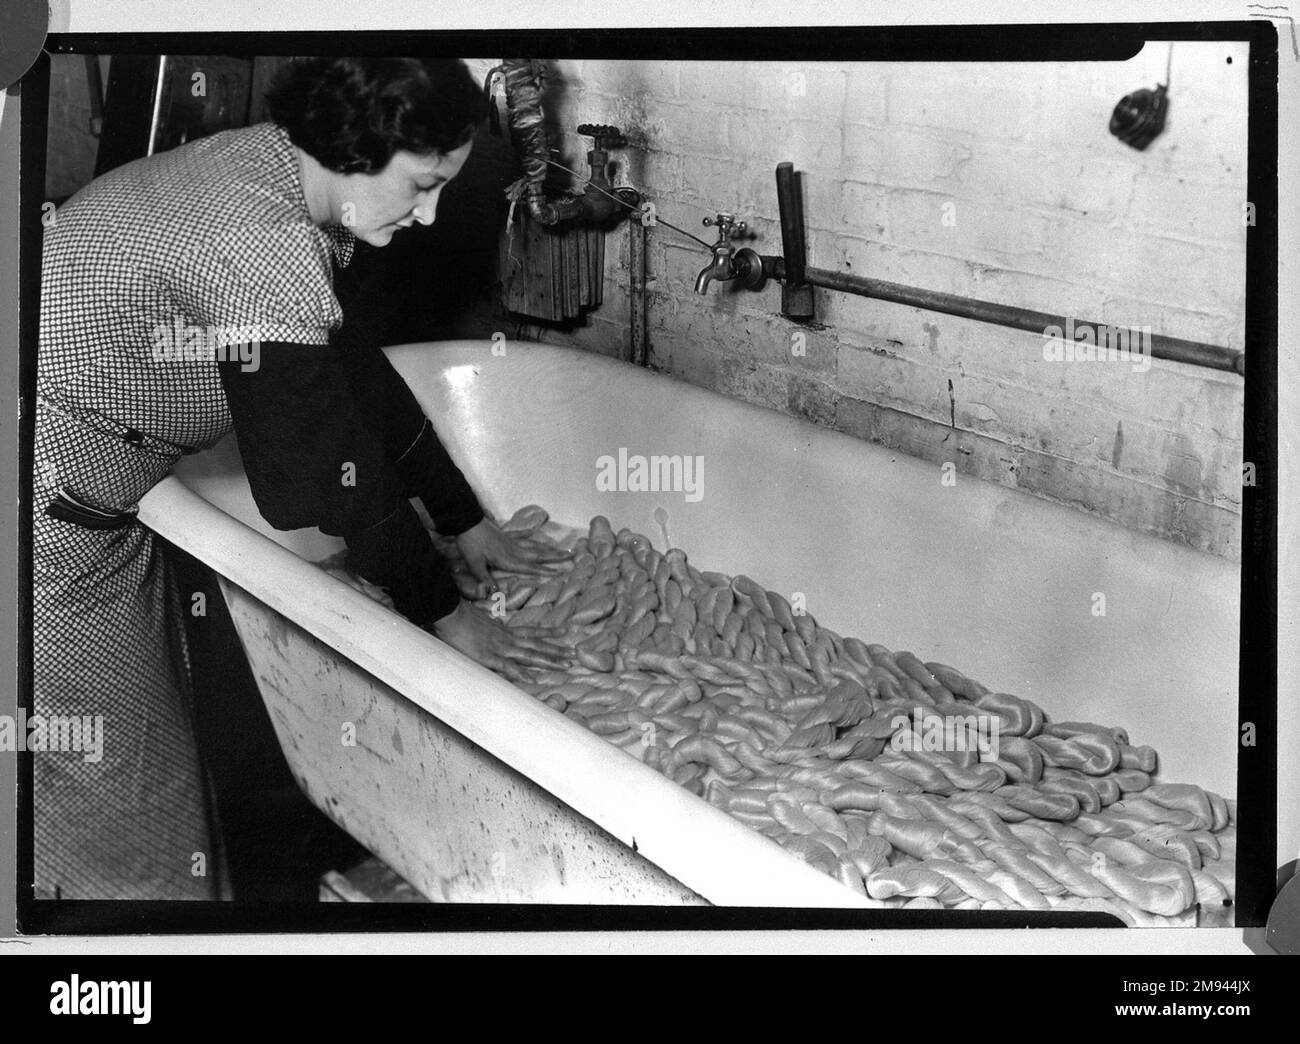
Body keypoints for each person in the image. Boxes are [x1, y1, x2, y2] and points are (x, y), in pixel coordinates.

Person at [33, 56, 570, 901]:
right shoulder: (261, 235)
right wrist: (446, 616)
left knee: (153, 762)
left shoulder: (276, 168)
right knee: (120, 803)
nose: (430, 217)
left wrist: (463, 516)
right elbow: (316, 480)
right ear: (359, 149)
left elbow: (346, 364)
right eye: (423, 185)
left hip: (89, 487)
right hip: (41, 520)